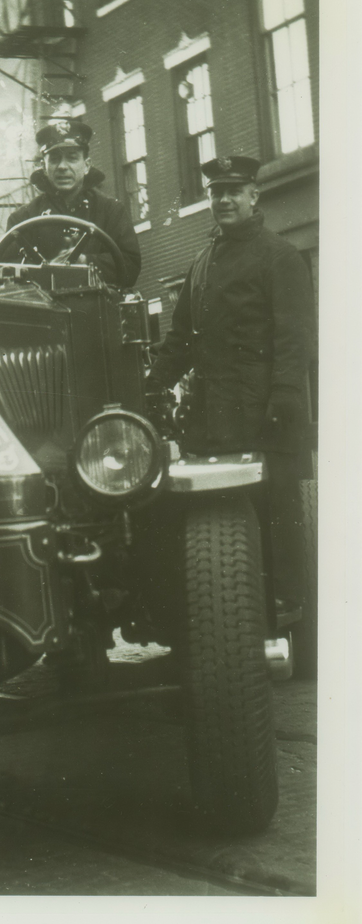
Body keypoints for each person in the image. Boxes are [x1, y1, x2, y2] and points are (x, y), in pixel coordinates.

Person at [148, 154, 315, 618]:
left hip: (265, 412)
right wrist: (152, 384)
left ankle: (289, 612)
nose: (223, 200)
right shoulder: (203, 262)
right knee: (220, 518)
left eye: (233, 192)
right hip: (212, 415)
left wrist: (284, 394)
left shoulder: (279, 256)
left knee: (276, 513)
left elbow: (295, 335)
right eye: (216, 192)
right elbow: (180, 338)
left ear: (253, 196)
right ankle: (230, 614)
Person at [5, 119, 141, 288]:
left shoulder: (112, 211)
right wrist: (45, 272)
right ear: (44, 167)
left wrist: (85, 261)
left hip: (97, 309)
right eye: (54, 159)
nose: (62, 166)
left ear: (86, 165)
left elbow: (130, 265)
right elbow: (6, 275)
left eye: (72, 158)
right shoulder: (22, 220)